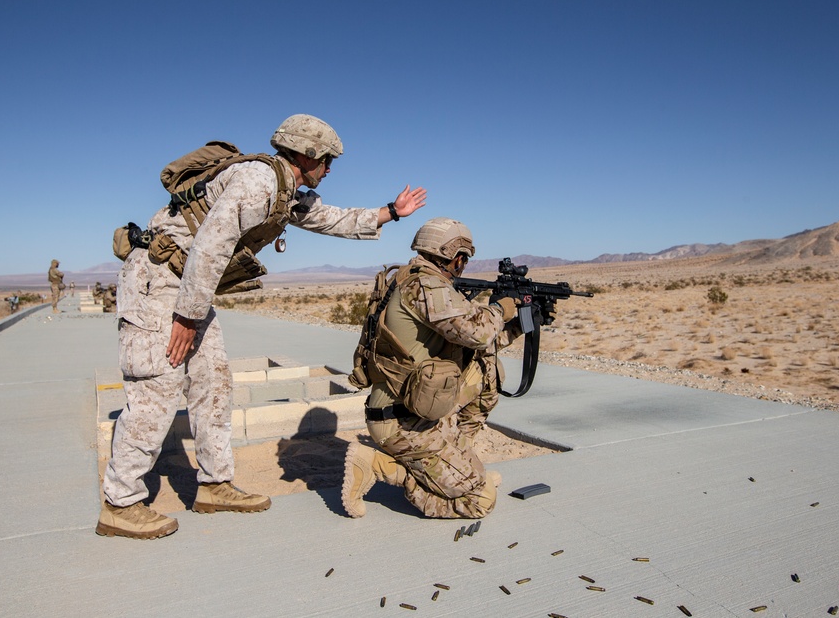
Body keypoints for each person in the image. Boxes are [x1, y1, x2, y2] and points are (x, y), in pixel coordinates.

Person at [96, 114, 427, 539]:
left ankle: (215, 486)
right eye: (326, 161)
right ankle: (119, 503)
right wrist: (185, 317)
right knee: (156, 389)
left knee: (213, 383)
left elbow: (328, 218)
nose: (329, 169)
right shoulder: (258, 182)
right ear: (305, 154)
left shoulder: (284, 190)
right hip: (159, 284)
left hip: (186, 288)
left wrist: (390, 213)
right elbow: (211, 246)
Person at [342, 217, 521, 520]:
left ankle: (459, 464)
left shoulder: (411, 279)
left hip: (418, 407)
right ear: (454, 255)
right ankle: (380, 467)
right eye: (463, 258)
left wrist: (522, 325)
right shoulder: (425, 287)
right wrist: (501, 310)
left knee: (485, 370)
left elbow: (477, 346)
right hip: (402, 421)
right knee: (480, 498)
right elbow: (477, 332)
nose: (463, 265)